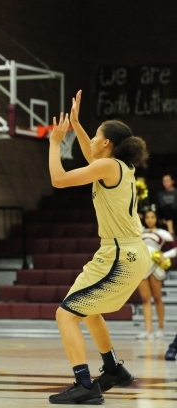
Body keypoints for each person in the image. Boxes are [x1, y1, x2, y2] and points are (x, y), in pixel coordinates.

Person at [46, 90, 151, 405]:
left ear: (107, 143)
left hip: (122, 254)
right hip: (119, 251)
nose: (90, 140)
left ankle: (85, 385)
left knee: (65, 315)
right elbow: (92, 157)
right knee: (88, 313)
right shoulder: (117, 167)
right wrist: (77, 125)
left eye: (94, 136)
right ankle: (113, 369)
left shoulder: (109, 167)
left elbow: (59, 180)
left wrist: (54, 143)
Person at [137, 210, 176, 340]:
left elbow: (175, 249)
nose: (149, 219)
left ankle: (161, 328)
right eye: (147, 217)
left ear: (157, 218)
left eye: (152, 217)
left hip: (156, 268)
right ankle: (148, 331)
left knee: (157, 297)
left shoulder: (163, 233)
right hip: (142, 267)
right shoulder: (139, 233)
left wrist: (163, 256)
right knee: (145, 299)